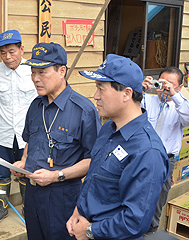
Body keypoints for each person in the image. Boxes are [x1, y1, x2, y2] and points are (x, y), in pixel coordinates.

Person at [67, 54, 169, 240]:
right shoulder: (108, 129)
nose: (95, 96)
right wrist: (77, 211)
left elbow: (135, 222)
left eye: (101, 89)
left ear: (126, 94)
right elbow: (93, 179)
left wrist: (90, 231)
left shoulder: (147, 151)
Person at [12, 42, 101, 240]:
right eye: (33, 72)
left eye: (42, 72)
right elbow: (30, 140)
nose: (35, 79)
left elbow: (93, 160)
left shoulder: (83, 110)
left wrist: (56, 175)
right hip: (33, 193)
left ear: (62, 71)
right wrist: (23, 162)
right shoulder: (36, 106)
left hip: (63, 197)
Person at [0, 29, 37, 225]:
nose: (7, 56)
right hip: (2, 132)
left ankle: (27, 208)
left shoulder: (33, 71)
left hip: (26, 135)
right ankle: (1, 208)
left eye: (12, 51)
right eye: (3, 52)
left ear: (22, 49)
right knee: (0, 172)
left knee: (26, 172)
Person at [142, 66, 189, 234]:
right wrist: (139, 89)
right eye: (161, 83)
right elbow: (128, 107)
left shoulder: (182, 106)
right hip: (142, 155)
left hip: (165, 159)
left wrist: (174, 95)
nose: (164, 88)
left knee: (157, 200)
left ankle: (150, 233)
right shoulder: (147, 99)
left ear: (180, 87)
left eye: (170, 84)